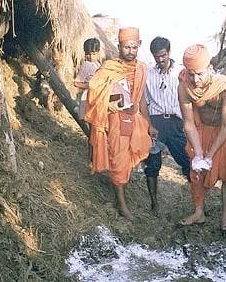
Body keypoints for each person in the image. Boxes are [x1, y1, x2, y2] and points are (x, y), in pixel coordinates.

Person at [177, 44, 226, 231]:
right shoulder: (184, 86)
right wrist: (200, 154)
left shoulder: (225, 87)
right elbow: (189, 123)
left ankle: (225, 218)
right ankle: (199, 212)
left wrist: (209, 155)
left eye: (200, 74)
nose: (195, 79)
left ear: (210, 68)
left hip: (224, 133)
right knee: (197, 171)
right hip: (201, 130)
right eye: (191, 74)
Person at [84, 27, 154, 221]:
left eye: (133, 47)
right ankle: (122, 205)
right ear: (119, 46)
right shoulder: (109, 68)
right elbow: (93, 90)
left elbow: (140, 98)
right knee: (118, 159)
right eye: (126, 47)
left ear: (138, 46)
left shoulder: (141, 68)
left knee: (133, 155)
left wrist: (148, 123)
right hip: (116, 119)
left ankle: (121, 187)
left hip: (135, 119)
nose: (130, 51)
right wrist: (110, 103)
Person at [143, 36, 190, 216]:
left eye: (163, 55)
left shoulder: (182, 73)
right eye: (156, 56)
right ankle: (154, 204)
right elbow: (144, 103)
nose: (160, 59)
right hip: (156, 123)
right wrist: (149, 125)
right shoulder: (149, 74)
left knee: (187, 162)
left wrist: (188, 124)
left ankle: (197, 203)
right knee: (152, 165)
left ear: (169, 53)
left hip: (176, 124)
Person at [74, 38, 101, 120]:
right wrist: (89, 86)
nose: (90, 57)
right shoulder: (86, 65)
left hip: (97, 96)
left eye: (93, 54)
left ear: (98, 53)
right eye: (88, 54)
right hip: (88, 97)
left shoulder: (98, 65)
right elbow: (76, 83)